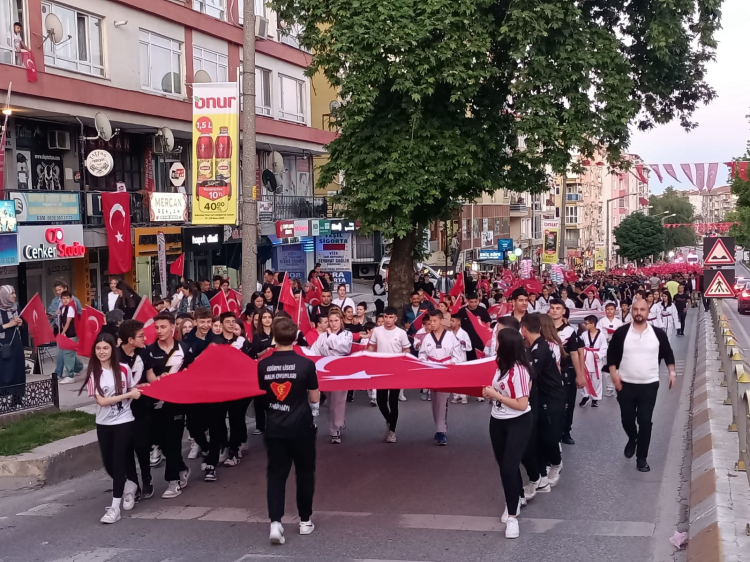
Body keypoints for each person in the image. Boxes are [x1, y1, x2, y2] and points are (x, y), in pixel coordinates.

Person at [258, 316, 320, 545]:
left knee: (276, 475)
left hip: (275, 426)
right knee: (304, 473)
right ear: (295, 338)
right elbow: (314, 396)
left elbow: (263, 394)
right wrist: (313, 411)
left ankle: (275, 522)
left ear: (274, 337)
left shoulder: (263, 365)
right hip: (302, 427)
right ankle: (305, 520)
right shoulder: (306, 364)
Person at [607, 299, 676, 472]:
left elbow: (668, 353)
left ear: (648, 312)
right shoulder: (622, 332)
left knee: (645, 421)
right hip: (625, 384)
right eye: (636, 309)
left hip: (649, 384)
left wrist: (672, 373)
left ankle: (642, 458)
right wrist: (614, 374)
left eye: (642, 309)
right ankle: (633, 438)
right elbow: (612, 354)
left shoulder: (657, 334)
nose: (639, 312)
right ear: (632, 311)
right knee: (627, 419)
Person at [82, 332, 141, 524]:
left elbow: (132, 388)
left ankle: (115, 508)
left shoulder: (124, 369)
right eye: (98, 348)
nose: (102, 352)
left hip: (124, 421)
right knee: (108, 465)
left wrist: (134, 392)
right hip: (104, 424)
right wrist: (127, 395)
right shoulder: (94, 373)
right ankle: (129, 485)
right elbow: (102, 401)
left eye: (105, 348)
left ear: (112, 349)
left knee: (118, 462)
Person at [482, 328, 533, 539]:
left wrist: (496, 395)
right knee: (504, 466)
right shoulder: (501, 366)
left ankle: (512, 517)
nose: (495, 344)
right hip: (497, 421)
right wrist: (491, 394)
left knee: (509, 468)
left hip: (518, 422)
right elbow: (500, 391)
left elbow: (522, 404)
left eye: (498, 341)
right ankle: (516, 496)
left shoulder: (519, 370)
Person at [145, 312, 192, 498]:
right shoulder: (149, 350)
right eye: (157, 327)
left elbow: (192, 372)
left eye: (163, 327)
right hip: (155, 403)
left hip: (177, 403)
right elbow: (147, 375)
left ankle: (173, 481)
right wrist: (158, 380)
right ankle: (181, 468)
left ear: (173, 328)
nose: (159, 330)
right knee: (161, 442)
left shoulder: (185, 348)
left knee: (173, 441)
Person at [520, 313, 566, 498]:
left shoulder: (540, 349)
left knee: (550, 437)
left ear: (524, 329)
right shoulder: (535, 346)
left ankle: (556, 463)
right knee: (539, 436)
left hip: (552, 397)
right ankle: (542, 476)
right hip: (542, 397)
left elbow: (530, 376)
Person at [117, 320, 155, 501]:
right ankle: (133, 484)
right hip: (121, 409)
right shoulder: (115, 356)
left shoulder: (144, 352)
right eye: (141, 336)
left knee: (142, 445)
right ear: (130, 340)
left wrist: (160, 383)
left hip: (141, 407)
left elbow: (150, 375)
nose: (144, 338)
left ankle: (147, 477)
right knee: (126, 448)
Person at [212, 311, 254, 468]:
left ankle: (234, 451)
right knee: (219, 420)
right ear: (221, 324)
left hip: (238, 388)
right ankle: (224, 445)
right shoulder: (214, 342)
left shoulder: (242, 342)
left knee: (236, 419)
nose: (231, 324)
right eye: (227, 322)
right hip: (220, 389)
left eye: (233, 321)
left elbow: (251, 361)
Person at [418, 310, 463, 445]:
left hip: (445, 370)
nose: (432, 324)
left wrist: (454, 363)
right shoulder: (427, 338)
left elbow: (457, 354)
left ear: (441, 321)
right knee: (434, 402)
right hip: (432, 370)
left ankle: (441, 430)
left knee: (443, 401)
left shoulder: (450, 336)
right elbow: (422, 354)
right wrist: (423, 362)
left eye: (435, 321)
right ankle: (438, 426)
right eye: (430, 321)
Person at [367, 307, 411, 443]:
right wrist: (365, 357)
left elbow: (406, 349)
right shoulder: (377, 331)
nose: (387, 320)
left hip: (396, 371)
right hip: (381, 371)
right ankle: (389, 420)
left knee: (393, 401)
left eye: (391, 317)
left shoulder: (401, 333)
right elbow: (371, 347)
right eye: (386, 317)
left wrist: (406, 360)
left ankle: (392, 431)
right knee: (381, 400)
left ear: (395, 318)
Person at [311, 309, 352, 444]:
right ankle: (337, 422)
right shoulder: (322, 336)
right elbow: (315, 350)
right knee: (330, 401)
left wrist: (331, 335)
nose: (334, 324)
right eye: (331, 321)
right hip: (326, 372)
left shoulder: (347, 334)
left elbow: (343, 348)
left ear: (341, 321)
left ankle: (335, 429)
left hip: (341, 371)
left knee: (338, 401)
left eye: (336, 320)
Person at [548, 299, 584, 445]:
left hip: (566, 371)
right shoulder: (543, 329)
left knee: (568, 404)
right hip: (548, 373)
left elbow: (575, 354)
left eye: (558, 308)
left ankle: (566, 431)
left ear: (563, 311)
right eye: (552, 308)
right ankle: (551, 431)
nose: (554, 311)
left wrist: (580, 375)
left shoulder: (570, 331)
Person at [0, 285, 25, 408]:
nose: (14, 296)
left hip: (15, 343)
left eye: (14, 293)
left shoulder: (15, 307)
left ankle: (17, 399)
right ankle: (2, 400)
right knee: (4, 372)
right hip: (2, 345)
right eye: (12, 293)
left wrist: (20, 323)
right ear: (4, 296)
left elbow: (22, 324)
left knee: (17, 370)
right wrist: (8, 325)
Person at [579, 315, 608, 408]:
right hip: (586, 357)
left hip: (596, 360)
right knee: (585, 378)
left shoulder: (602, 335)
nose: (585, 325)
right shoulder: (584, 335)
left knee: (596, 380)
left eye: (586, 323)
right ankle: (585, 396)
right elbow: (580, 346)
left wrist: (599, 354)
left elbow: (604, 348)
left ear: (593, 324)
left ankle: (595, 398)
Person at [597, 303, 623, 396]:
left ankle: (618, 384)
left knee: (617, 366)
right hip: (605, 346)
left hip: (616, 346)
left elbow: (622, 335)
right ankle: (609, 387)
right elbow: (598, 334)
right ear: (605, 310)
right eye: (608, 309)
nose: (609, 311)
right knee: (606, 366)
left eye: (611, 309)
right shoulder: (601, 322)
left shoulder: (619, 322)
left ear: (615, 310)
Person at [58, 291, 84, 384]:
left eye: (67, 298)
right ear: (61, 299)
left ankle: (70, 376)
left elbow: (68, 322)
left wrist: (63, 333)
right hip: (67, 334)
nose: (65, 300)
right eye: (63, 298)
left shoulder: (71, 308)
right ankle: (79, 367)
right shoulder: (63, 308)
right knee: (69, 354)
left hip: (71, 334)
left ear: (71, 299)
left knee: (68, 354)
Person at [449, 313, 472, 404]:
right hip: (452, 358)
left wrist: (464, 343)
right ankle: (456, 396)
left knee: (462, 378)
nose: (451, 323)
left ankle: (463, 396)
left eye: (453, 321)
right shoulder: (448, 334)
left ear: (458, 322)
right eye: (450, 321)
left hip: (461, 358)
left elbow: (469, 347)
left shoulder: (464, 333)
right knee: (453, 378)